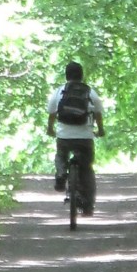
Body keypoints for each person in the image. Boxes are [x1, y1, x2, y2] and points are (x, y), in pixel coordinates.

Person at [46, 61, 105, 216]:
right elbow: (98, 113)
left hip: (64, 136)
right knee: (87, 170)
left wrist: (50, 129)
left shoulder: (59, 91)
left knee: (61, 155)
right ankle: (88, 207)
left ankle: (60, 173)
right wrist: (100, 130)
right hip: (85, 138)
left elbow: (52, 113)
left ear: (66, 75)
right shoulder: (90, 92)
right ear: (82, 75)